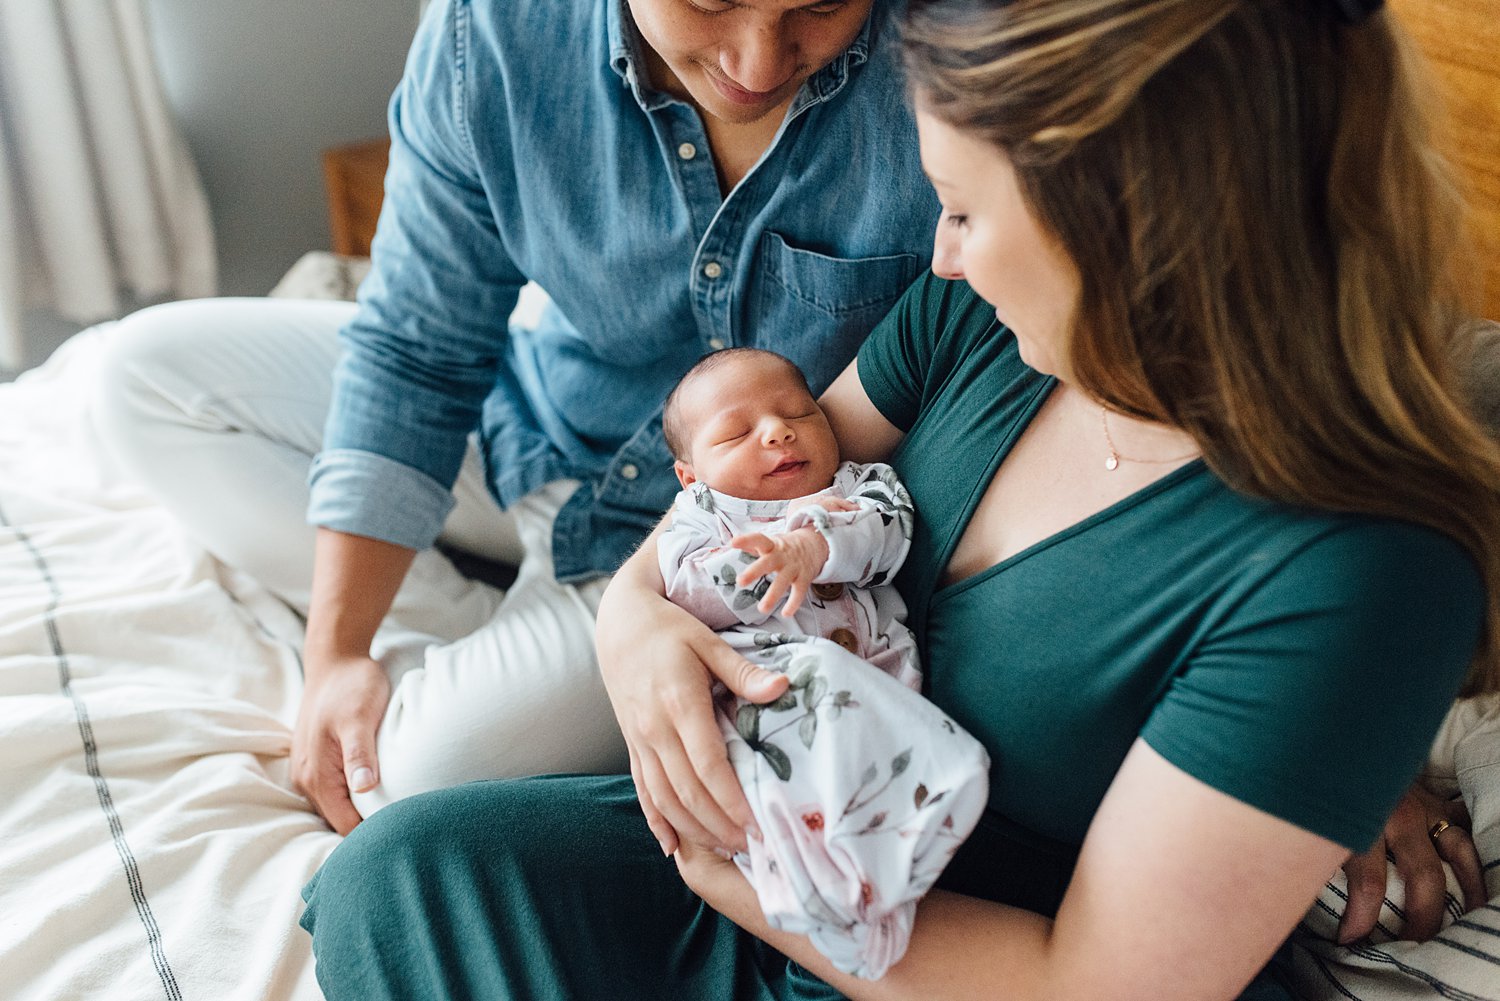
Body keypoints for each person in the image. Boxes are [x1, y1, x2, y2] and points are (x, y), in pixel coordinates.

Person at [296, 1, 1500, 998]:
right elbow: (729, 496)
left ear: (1128, 218)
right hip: (778, 826)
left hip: (960, 956)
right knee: (401, 875)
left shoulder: (1362, 573)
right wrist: (634, 622)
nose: (938, 251)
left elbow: (1090, 983)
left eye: (965, 210)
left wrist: (734, 872)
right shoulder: (974, 324)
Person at [89, 0, 941, 835]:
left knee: (416, 779)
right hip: (532, 420)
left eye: (821, 6)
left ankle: (492, 640)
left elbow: (931, 369)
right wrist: (338, 652)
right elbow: (417, 347)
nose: (758, 63)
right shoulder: (493, 30)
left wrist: (639, 602)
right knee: (139, 379)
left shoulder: (956, 61)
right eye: (710, 2)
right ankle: (444, 617)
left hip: (702, 552)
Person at [658, 346, 989, 978]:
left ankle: (901, 858)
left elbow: (887, 533)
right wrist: (754, 568)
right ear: (690, 475)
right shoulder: (699, 519)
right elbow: (685, 591)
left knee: (875, 776)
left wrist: (811, 544)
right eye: (736, 432)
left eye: (799, 413)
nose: (778, 432)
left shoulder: (857, 490)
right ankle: (821, 900)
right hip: (763, 700)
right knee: (767, 807)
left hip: (875, 688)